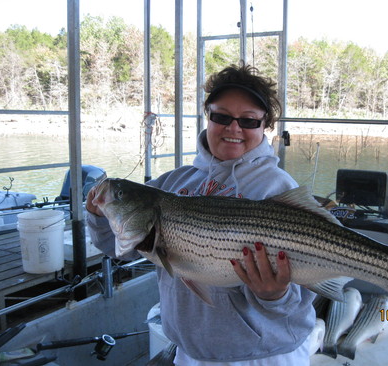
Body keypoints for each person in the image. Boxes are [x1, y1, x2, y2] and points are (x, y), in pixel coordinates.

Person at [86, 62, 316, 365]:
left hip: (264, 355)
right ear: (207, 116)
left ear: (265, 125)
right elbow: (120, 250)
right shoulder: (173, 183)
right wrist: (101, 216)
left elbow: (298, 300)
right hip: (191, 352)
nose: (233, 128)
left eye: (248, 121)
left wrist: (275, 295)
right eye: (221, 116)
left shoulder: (277, 187)